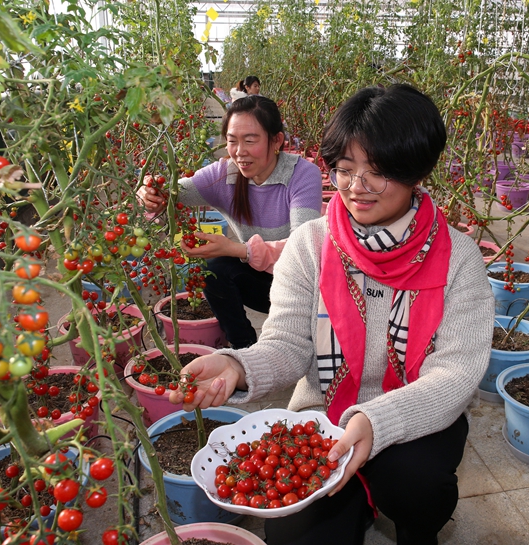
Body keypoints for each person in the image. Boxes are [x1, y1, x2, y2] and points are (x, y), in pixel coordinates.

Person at [168, 84, 494, 545]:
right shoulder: (312, 244)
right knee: (293, 534)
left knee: (416, 484)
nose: (356, 187)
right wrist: (238, 366)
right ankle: (354, 506)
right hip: (324, 415)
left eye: (377, 172)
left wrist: (375, 422)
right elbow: (286, 343)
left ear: (416, 171)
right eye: (344, 170)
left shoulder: (457, 258)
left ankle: (414, 526)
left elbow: (458, 372)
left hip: (415, 414)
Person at [138, 94, 321, 349]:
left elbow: (304, 252)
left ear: (277, 140)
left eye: (250, 140)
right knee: (214, 269)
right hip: (265, 282)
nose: (239, 152)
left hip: (307, 288)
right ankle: (243, 348)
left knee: (223, 258)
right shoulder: (225, 174)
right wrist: (149, 193)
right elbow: (172, 193)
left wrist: (236, 248)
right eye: (232, 141)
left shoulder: (303, 175)